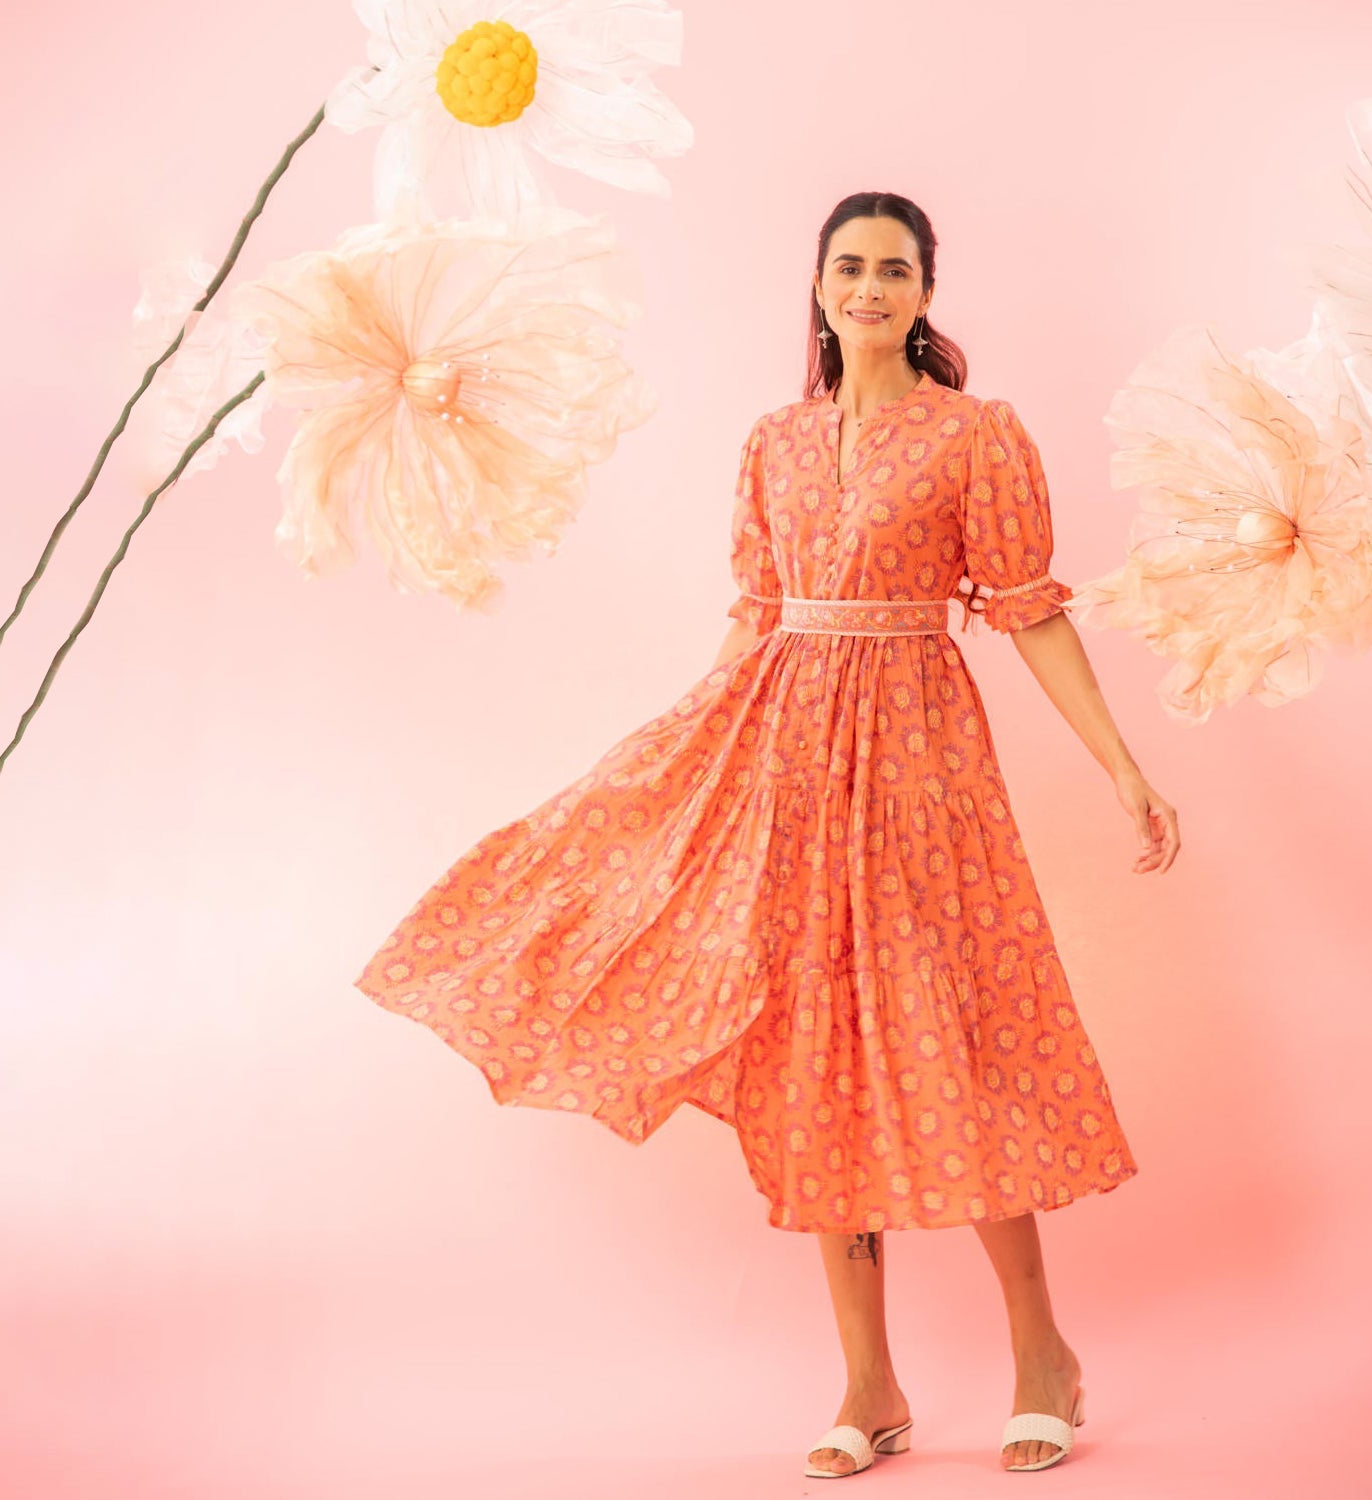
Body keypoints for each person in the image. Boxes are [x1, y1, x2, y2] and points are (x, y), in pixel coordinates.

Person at [354, 190, 1180, 1478]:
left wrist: (1124, 768)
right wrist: (690, 760)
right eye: (849, 266)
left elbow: (1025, 608)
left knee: (956, 1049)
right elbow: (753, 618)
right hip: (788, 759)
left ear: (926, 292)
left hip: (920, 766)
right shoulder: (775, 442)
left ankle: (1042, 1356)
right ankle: (869, 1384)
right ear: (819, 285)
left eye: (894, 270)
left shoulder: (977, 432)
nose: (870, 288)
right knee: (816, 1059)